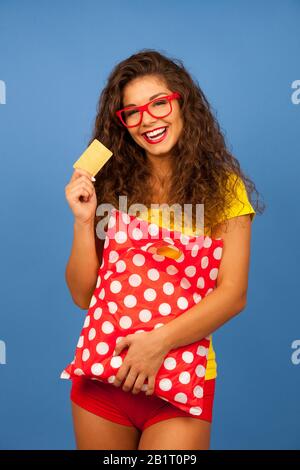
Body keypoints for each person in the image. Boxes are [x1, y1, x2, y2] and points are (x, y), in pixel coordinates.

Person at [64, 49, 264, 450]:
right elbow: (83, 294)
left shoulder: (224, 190)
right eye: (132, 112)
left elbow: (233, 294)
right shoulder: (110, 186)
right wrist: (83, 221)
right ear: (122, 123)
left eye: (159, 103)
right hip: (106, 376)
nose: (148, 120)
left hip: (180, 381)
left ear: (182, 103)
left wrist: (157, 344)